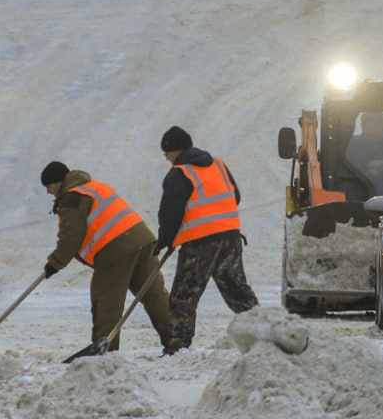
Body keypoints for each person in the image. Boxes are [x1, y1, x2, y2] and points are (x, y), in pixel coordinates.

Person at [41, 161, 171, 351]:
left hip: (115, 249)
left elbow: (71, 238)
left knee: (106, 300)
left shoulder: (71, 198)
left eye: (49, 186)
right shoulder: (94, 187)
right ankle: (176, 339)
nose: (49, 192)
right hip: (143, 240)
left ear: (59, 182)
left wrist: (54, 264)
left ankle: (105, 352)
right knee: (154, 295)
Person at [155, 126, 258, 354]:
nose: (168, 159)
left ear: (175, 151)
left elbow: (170, 213)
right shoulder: (218, 164)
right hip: (230, 237)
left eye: (167, 154)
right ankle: (265, 333)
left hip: (200, 244)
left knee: (184, 296)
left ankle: (177, 348)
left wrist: (164, 240)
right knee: (237, 290)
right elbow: (235, 196)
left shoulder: (179, 173)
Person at [343, 111, 383, 198]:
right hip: (357, 192)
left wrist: (382, 172)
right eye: (368, 124)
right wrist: (366, 166)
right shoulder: (351, 145)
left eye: (376, 125)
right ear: (363, 126)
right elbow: (342, 167)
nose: (372, 128)